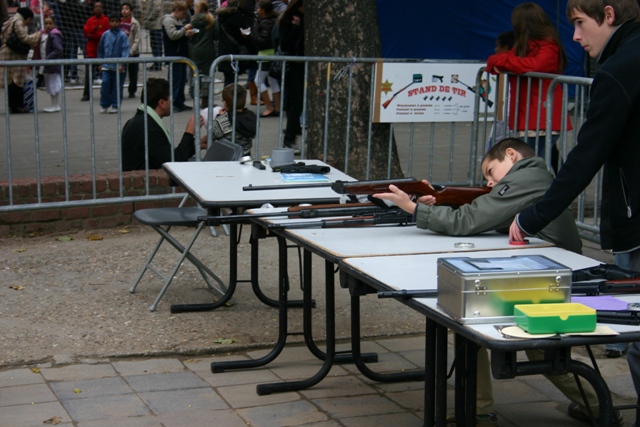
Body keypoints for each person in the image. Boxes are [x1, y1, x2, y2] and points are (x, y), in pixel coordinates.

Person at [374, 138, 622, 426]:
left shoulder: (527, 179)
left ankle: (599, 406)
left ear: (511, 155)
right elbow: (485, 209)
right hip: (542, 271)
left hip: (551, 277)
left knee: (537, 347)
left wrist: (415, 209)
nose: (489, 183)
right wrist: (434, 200)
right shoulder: (533, 176)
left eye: (490, 172)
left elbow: (469, 219)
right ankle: (484, 409)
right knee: (479, 324)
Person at [508, 0, 640, 423]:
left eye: (581, 25)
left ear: (609, 14)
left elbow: (586, 157)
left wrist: (532, 217)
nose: (577, 38)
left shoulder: (618, 71)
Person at [486, 2, 571, 174]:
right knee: (534, 161)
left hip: (541, 115)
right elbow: (494, 63)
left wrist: (503, 62)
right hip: (528, 116)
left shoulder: (549, 45)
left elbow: (535, 65)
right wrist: (504, 62)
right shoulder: (525, 45)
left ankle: (537, 195)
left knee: (531, 164)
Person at [121, 78, 205, 171]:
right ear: (162, 103)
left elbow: (168, 155)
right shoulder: (148, 127)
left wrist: (197, 145)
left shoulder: (142, 120)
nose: (171, 102)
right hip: (146, 182)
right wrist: (189, 132)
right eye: (170, 98)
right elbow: (173, 161)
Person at [0, 7, 41, 114]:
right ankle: (16, 106)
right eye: (29, 20)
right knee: (17, 81)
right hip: (14, 55)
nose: (28, 23)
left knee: (10, 81)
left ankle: (13, 105)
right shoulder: (18, 23)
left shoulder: (10, 20)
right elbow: (24, 38)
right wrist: (36, 36)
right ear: (26, 17)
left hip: (7, 53)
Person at [202, 83, 257, 156]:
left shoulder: (222, 120)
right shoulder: (252, 116)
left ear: (225, 103)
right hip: (246, 153)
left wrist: (219, 117)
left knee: (204, 141)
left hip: (228, 155)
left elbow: (212, 135)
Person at [278, 0, 304, 152]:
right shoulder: (289, 20)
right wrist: (295, 28)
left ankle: (292, 133)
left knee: (295, 102)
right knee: (296, 102)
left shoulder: (302, 19)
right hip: (293, 67)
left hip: (298, 66)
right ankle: (290, 137)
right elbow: (285, 44)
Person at [161, 0, 193, 112]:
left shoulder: (177, 21)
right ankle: (173, 103)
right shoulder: (168, 20)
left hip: (181, 55)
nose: (184, 16)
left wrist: (187, 34)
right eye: (183, 13)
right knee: (175, 80)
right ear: (177, 11)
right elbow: (173, 35)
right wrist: (184, 29)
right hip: (174, 55)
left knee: (181, 80)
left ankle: (180, 102)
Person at [487, 30, 514, 150]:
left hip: (507, 115)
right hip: (505, 114)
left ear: (507, 47)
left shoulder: (511, 62)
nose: (495, 49)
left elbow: (494, 61)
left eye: (498, 46)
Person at [252, 0, 280, 117]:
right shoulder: (273, 21)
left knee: (258, 80)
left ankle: (269, 106)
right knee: (273, 80)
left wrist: (252, 37)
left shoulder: (265, 23)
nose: (257, 10)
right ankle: (277, 106)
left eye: (258, 8)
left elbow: (264, 41)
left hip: (266, 55)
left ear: (263, 10)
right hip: (272, 54)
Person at [97, 12, 129, 114]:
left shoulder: (123, 36)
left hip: (118, 67)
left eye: (116, 21)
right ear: (109, 22)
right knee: (105, 84)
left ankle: (116, 105)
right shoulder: (105, 35)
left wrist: (122, 64)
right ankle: (104, 104)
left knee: (117, 87)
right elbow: (100, 49)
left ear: (120, 22)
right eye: (112, 21)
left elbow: (125, 50)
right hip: (106, 65)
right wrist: (100, 63)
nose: (114, 23)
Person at [189, 0, 217, 107]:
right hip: (208, 50)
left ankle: (196, 97)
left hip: (196, 50)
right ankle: (206, 100)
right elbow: (216, 35)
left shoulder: (193, 21)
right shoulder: (212, 21)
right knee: (207, 75)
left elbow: (189, 34)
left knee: (196, 74)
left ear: (198, 9)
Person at [82, 2, 109, 101]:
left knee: (106, 74)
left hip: (103, 51)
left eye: (100, 7)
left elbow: (104, 35)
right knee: (88, 74)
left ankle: (106, 94)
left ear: (103, 9)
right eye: (96, 7)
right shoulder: (90, 20)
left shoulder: (106, 20)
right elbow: (86, 32)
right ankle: (86, 94)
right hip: (91, 51)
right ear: (93, 9)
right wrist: (93, 31)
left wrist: (92, 34)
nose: (98, 9)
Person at [38, 16, 63, 113]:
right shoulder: (44, 35)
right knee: (49, 83)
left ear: (54, 24)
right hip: (46, 63)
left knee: (54, 83)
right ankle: (53, 104)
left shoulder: (54, 35)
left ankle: (55, 105)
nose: (48, 25)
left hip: (51, 63)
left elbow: (58, 49)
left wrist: (48, 58)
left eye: (50, 23)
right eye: (46, 23)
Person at [120, 2, 140, 99]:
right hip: (121, 52)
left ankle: (132, 91)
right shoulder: (119, 22)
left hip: (133, 52)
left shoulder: (135, 23)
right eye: (123, 8)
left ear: (131, 11)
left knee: (133, 73)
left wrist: (131, 51)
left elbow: (137, 39)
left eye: (127, 8)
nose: (124, 10)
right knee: (121, 71)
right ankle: (119, 89)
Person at [142, 0, 164, 70]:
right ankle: (157, 63)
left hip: (156, 25)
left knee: (156, 45)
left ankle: (158, 64)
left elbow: (156, 8)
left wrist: (149, 18)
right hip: (153, 24)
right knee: (154, 45)